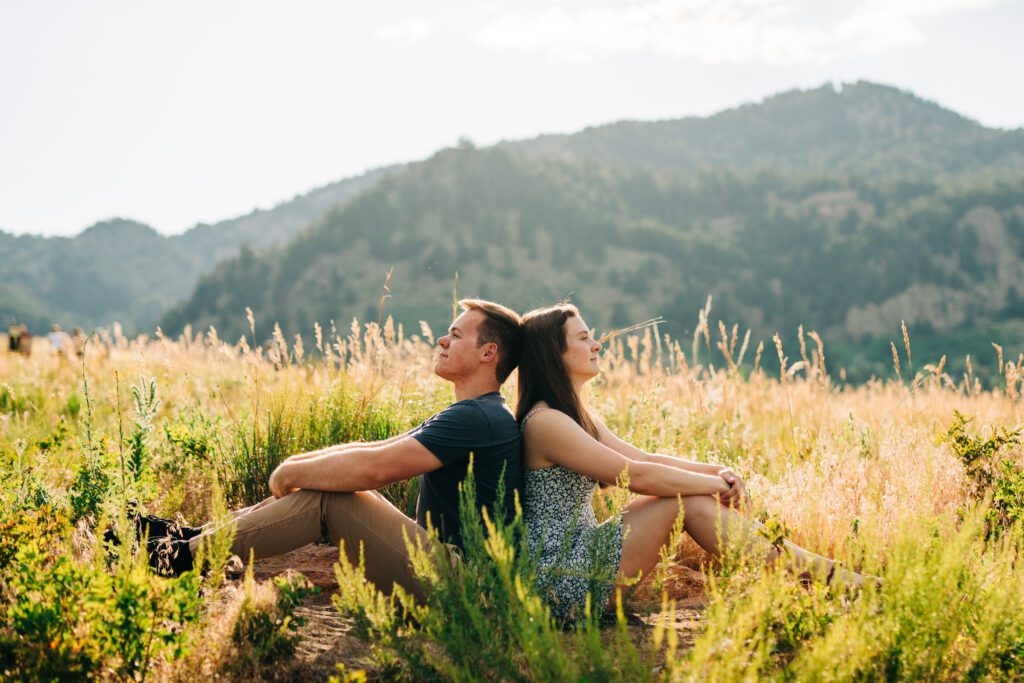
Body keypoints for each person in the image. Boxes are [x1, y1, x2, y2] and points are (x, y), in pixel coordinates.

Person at [141, 299, 523, 601]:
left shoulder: (479, 417)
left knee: (334, 501)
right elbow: (377, 448)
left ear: (488, 353)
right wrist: (298, 463)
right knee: (337, 486)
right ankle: (189, 539)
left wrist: (291, 474)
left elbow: (375, 469)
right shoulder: (475, 412)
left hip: (464, 586)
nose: (442, 340)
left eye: (456, 335)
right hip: (448, 569)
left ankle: (178, 559)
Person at [516, 303, 867, 623]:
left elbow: (643, 458)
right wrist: (716, 486)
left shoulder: (572, 416)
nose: (597, 345)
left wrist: (716, 472)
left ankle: (824, 578)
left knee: (685, 498)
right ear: (553, 353)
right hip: (557, 582)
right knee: (683, 501)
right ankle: (829, 578)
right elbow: (635, 476)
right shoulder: (546, 422)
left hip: (577, 557)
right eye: (583, 338)